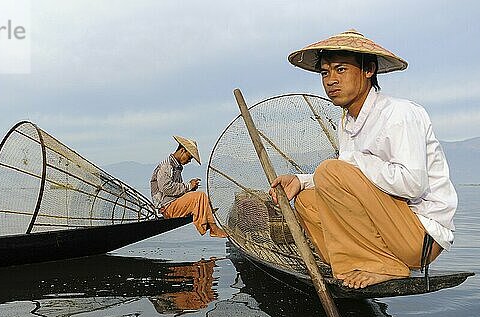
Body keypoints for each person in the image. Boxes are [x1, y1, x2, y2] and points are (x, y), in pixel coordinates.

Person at [270, 30, 457, 289]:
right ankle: (357, 264)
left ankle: (385, 265)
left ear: (368, 70)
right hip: (390, 233)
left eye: (341, 69)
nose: (331, 80)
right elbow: (348, 177)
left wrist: (354, 161)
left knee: (329, 171)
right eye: (325, 73)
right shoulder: (347, 121)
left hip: (419, 238)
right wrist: (302, 181)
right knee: (307, 201)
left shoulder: (399, 114)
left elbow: (412, 184)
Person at [150, 135, 227, 238]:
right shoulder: (166, 166)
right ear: (182, 151)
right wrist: (188, 186)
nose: (189, 161)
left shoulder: (176, 167)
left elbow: (176, 192)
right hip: (167, 208)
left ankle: (206, 217)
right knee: (200, 196)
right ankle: (213, 228)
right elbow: (166, 188)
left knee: (203, 200)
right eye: (189, 157)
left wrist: (189, 189)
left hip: (173, 205)